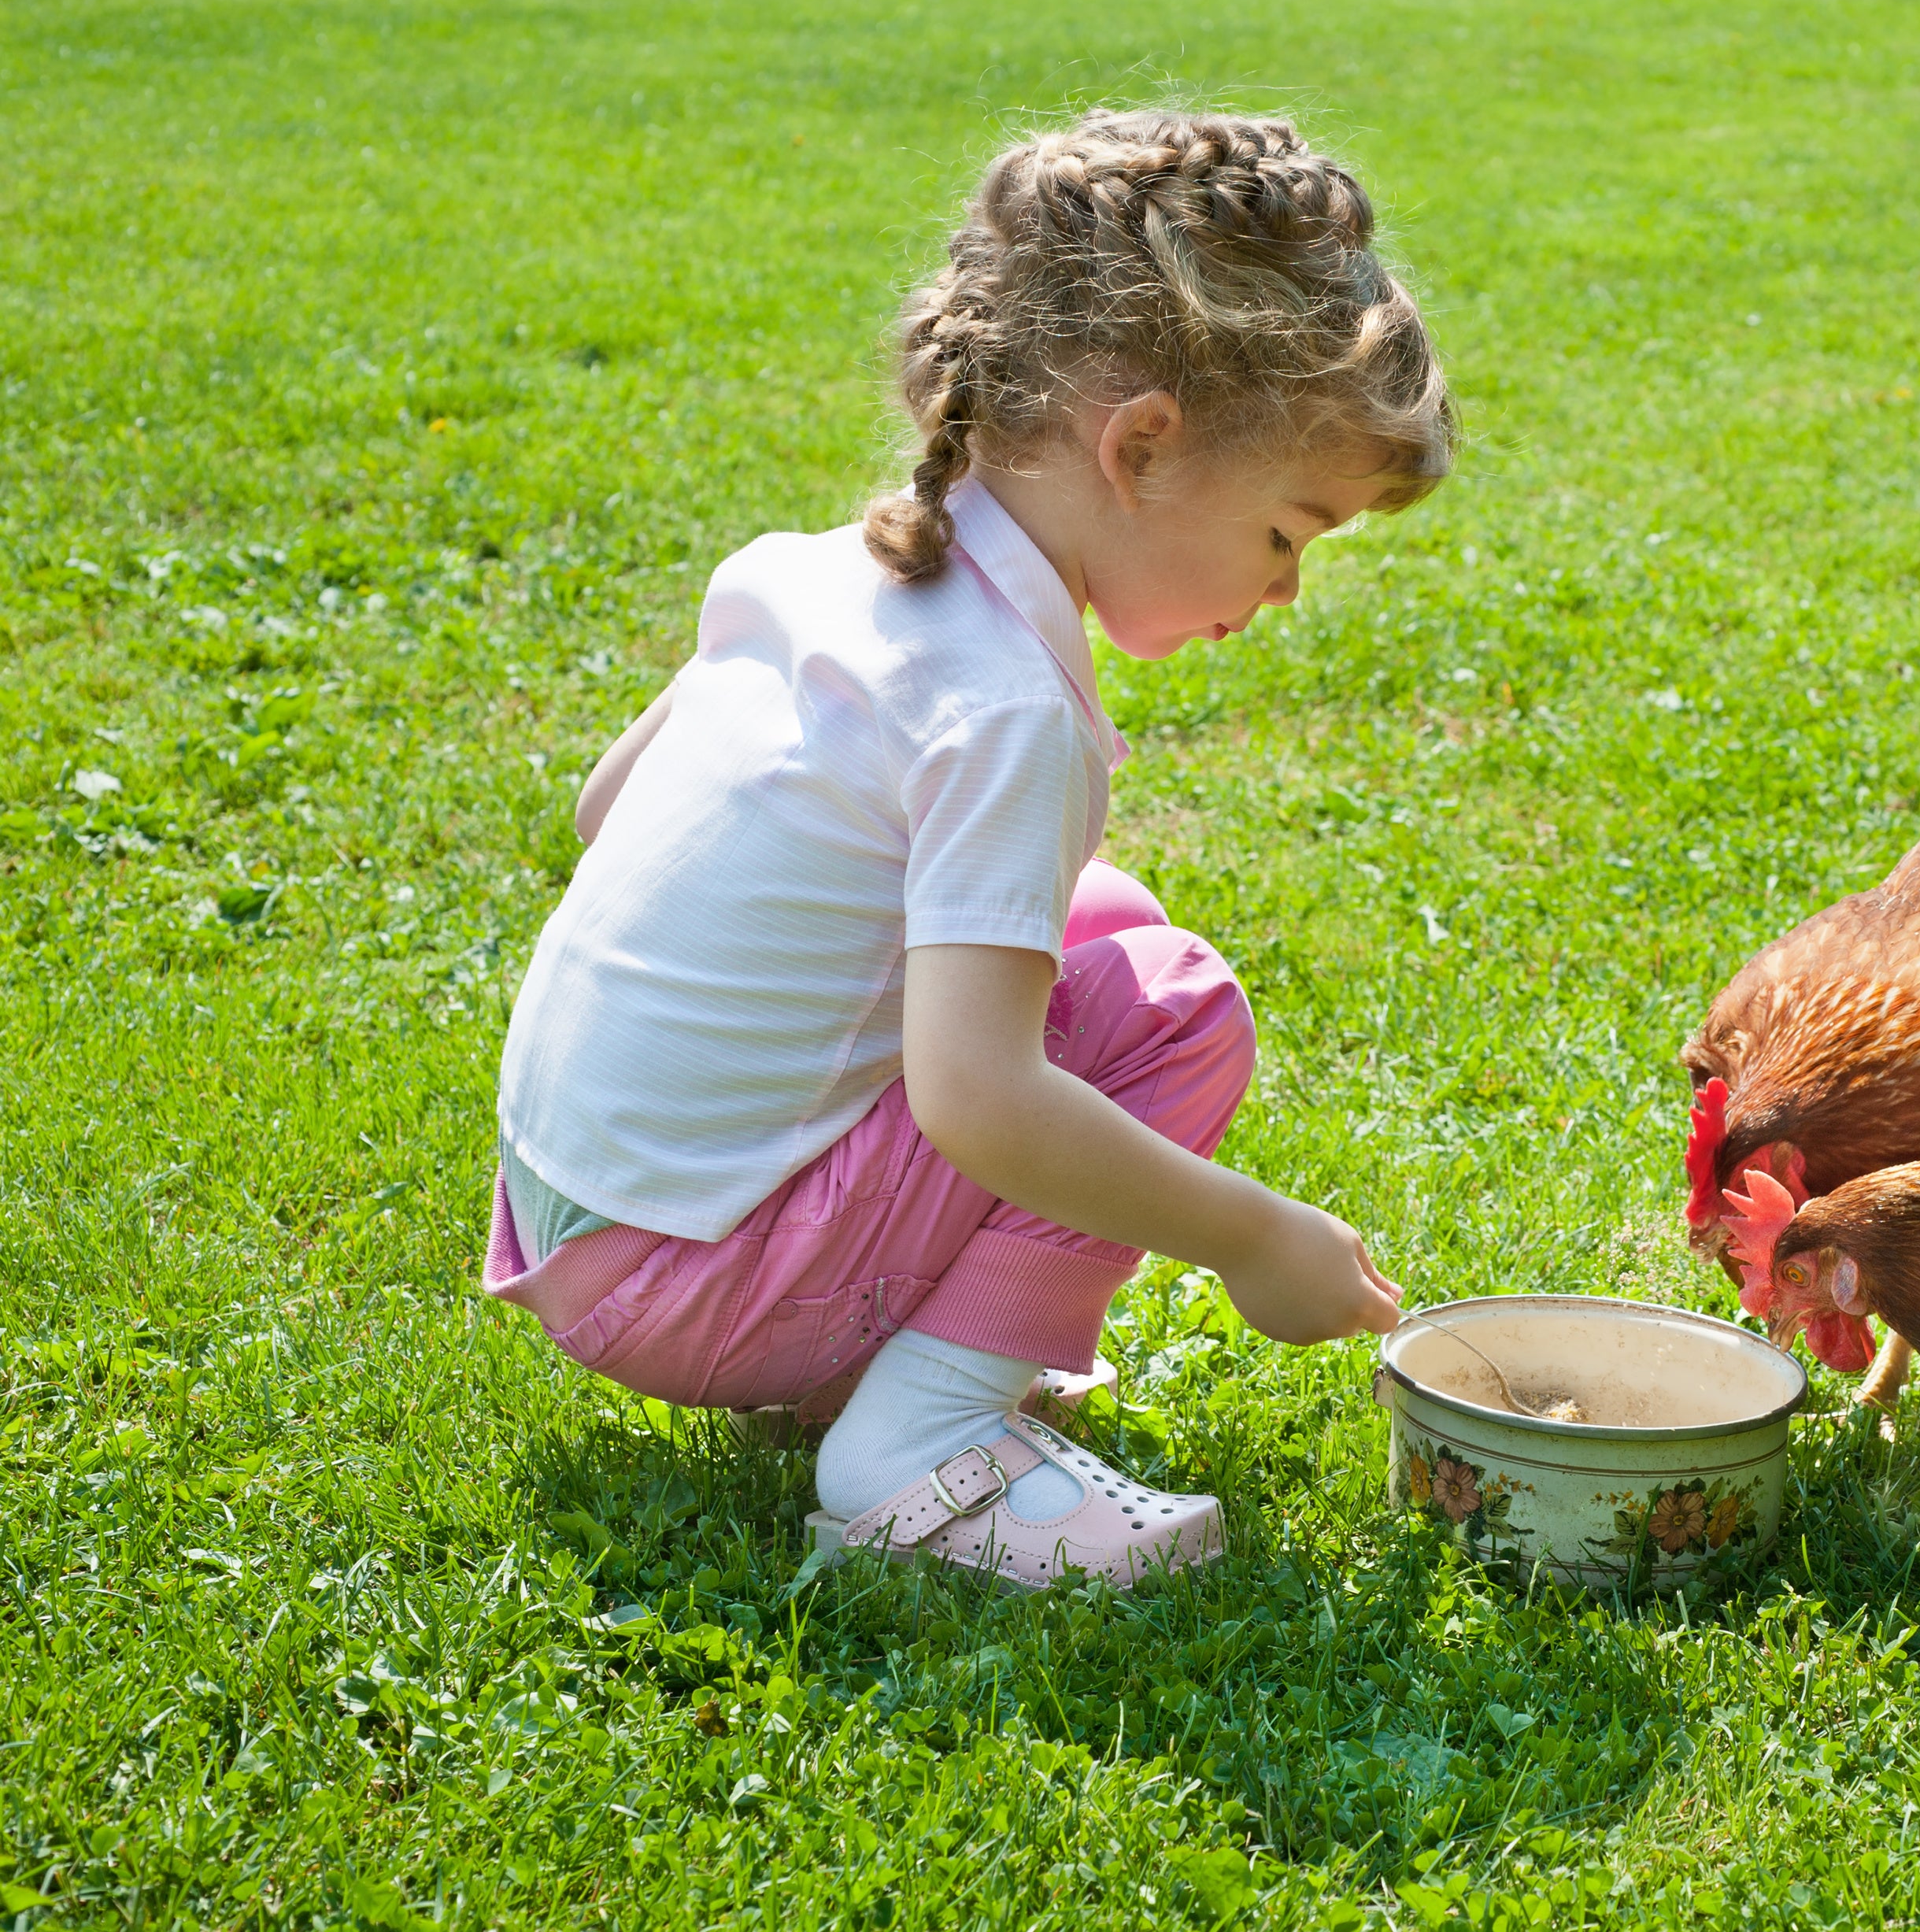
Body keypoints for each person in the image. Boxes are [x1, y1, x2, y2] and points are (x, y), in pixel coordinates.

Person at [482, 109, 1452, 1589]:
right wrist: (1256, 1240)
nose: (1290, 592)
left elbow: (607, 812)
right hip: (689, 1281)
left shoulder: (814, 573)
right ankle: (919, 1447)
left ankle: (859, 1345)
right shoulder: (1006, 708)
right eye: (1287, 532)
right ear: (1139, 446)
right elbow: (980, 1102)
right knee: (1167, 1005)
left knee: (1093, 920)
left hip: (571, 1219)